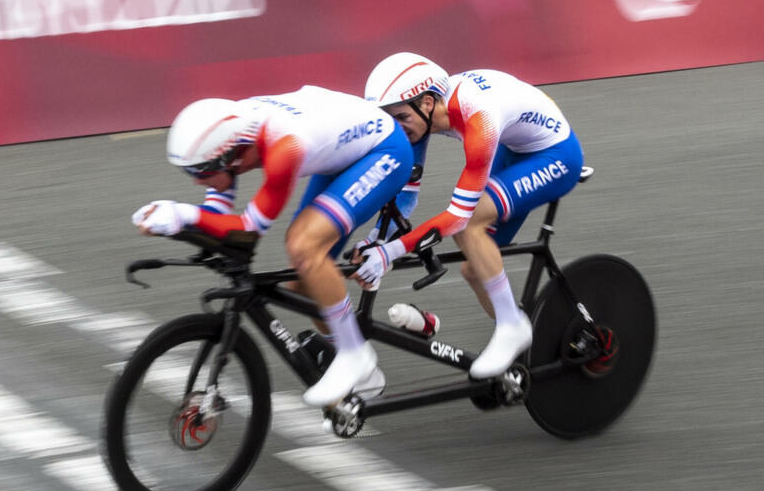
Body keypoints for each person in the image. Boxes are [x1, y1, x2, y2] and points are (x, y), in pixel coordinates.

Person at [132, 86, 414, 407]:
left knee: (303, 245)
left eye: (201, 172)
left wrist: (184, 215)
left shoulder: (285, 148)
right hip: (342, 148)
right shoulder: (235, 132)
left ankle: (354, 353)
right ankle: (364, 378)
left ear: (232, 157)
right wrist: (176, 222)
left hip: (384, 150)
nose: (196, 181)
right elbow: (216, 214)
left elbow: (249, 231)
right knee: (304, 287)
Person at [358, 52, 584, 379]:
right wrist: (375, 239)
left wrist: (390, 252)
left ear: (427, 103)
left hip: (556, 156)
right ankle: (524, 341)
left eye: (401, 117)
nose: (397, 128)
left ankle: (512, 326)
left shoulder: (479, 118)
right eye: (390, 119)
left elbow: (458, 218)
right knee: (474, 269)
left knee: (469, 228)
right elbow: (406, 195)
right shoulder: (419, 115)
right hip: (515, 148)